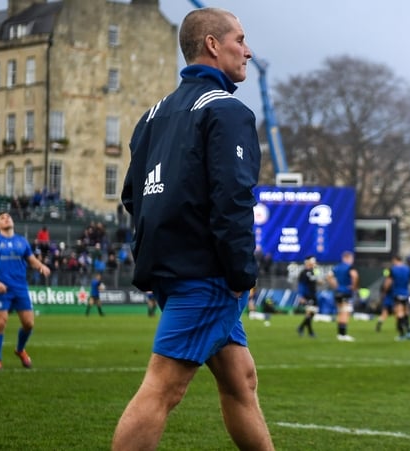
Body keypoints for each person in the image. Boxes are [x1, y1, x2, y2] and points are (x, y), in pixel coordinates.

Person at [111, 8, 273, 450]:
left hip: (171, 271)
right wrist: (241, 275)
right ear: (212, 45)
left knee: (241, 380)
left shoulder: (152, 116)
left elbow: (132, 197)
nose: (248, 49)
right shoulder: (227, 111)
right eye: (240, 38)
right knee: (164, 387)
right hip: (209, 275)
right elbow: (233, 202)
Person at [0, 212, 50, 369]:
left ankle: (20, 350)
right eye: (2, 218)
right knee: (0, 322)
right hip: (2, 288)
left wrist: (41, 266)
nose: (6, 218)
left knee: (29, 324)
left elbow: (31, 260)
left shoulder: (22, 241)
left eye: (8, 217)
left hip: (20, 288)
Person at [381, 255, 410, 341]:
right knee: (406, 312)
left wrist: (385, 291)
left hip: (397, 293)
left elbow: (388, 282)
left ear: (395, 260)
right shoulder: (408, 269)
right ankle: (409, 332)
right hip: (406, 293)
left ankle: (402, 334)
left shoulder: (393, 269)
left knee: (399, 312)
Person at [326, 251, 358, 342]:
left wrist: (335, 285)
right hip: (346, 292)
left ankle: (340, 333)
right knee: (345, 312)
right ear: (348, 258)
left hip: (337, 292)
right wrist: (354, 286)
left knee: (340, 312)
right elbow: (354, 276)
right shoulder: (349, 267)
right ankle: (343, 334)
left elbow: (328, 277)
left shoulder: (337, 267)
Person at [296, 256, 319, 338]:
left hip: (313, 294)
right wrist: (301, 296)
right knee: (309, 313)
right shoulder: (303, 273)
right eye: (312, 260)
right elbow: (301, 285)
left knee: (312, 313)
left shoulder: (313, 271)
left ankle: (301, 327)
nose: (314, 262)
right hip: (307, 295)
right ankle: (310, 332)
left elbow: (317, 280)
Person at [375, 266, 394, 333]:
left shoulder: (387, 279)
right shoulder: (390, 279)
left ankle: (379, 324)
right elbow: (386, 287)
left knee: (385, 312)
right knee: (399, 312)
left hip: (388, 298)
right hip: (392, 298)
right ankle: (403, 328)